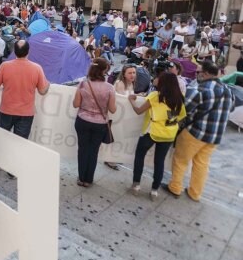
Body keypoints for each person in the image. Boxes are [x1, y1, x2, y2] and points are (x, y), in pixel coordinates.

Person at [165, 61, 234, 201]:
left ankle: (175, 187)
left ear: (206, 73)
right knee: (201, 164)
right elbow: (230, 109)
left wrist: (168, 119)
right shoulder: (228, 90)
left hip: (195, 133)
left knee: (180, 160)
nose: (196, 74)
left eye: (198, 72)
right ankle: (195, 193)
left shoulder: (198, 89)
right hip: (215, 136)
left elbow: (184, 110)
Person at [0, 40, 49, 176]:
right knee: (20, 141)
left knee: (2, 138)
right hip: (26, 112)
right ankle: (14, 170)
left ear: (14, 51)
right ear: (28, 52)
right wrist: (48, 85)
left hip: (6, 109)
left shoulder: (5, 66)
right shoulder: (37, 68)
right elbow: (42, 91)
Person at [128, 72, 186, 200]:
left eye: (158, 78)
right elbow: (180, 117)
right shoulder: (180, 98)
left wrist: (131, 100)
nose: (156, 79)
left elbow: (139, 111)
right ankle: (154, 191)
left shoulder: (155, 96)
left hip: (152, 131)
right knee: (159, 162)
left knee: (140, 156)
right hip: (169, 134)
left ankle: (136, 185)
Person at [72, 58, 117, 187]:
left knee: (82, 150)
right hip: (100, 124)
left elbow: (76, 104)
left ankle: (81, 178)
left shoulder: (83, 84)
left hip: (83, 120)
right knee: (93, 151)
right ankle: (88, 180)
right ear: (104, 70)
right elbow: (113, 109)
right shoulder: (110, 88)